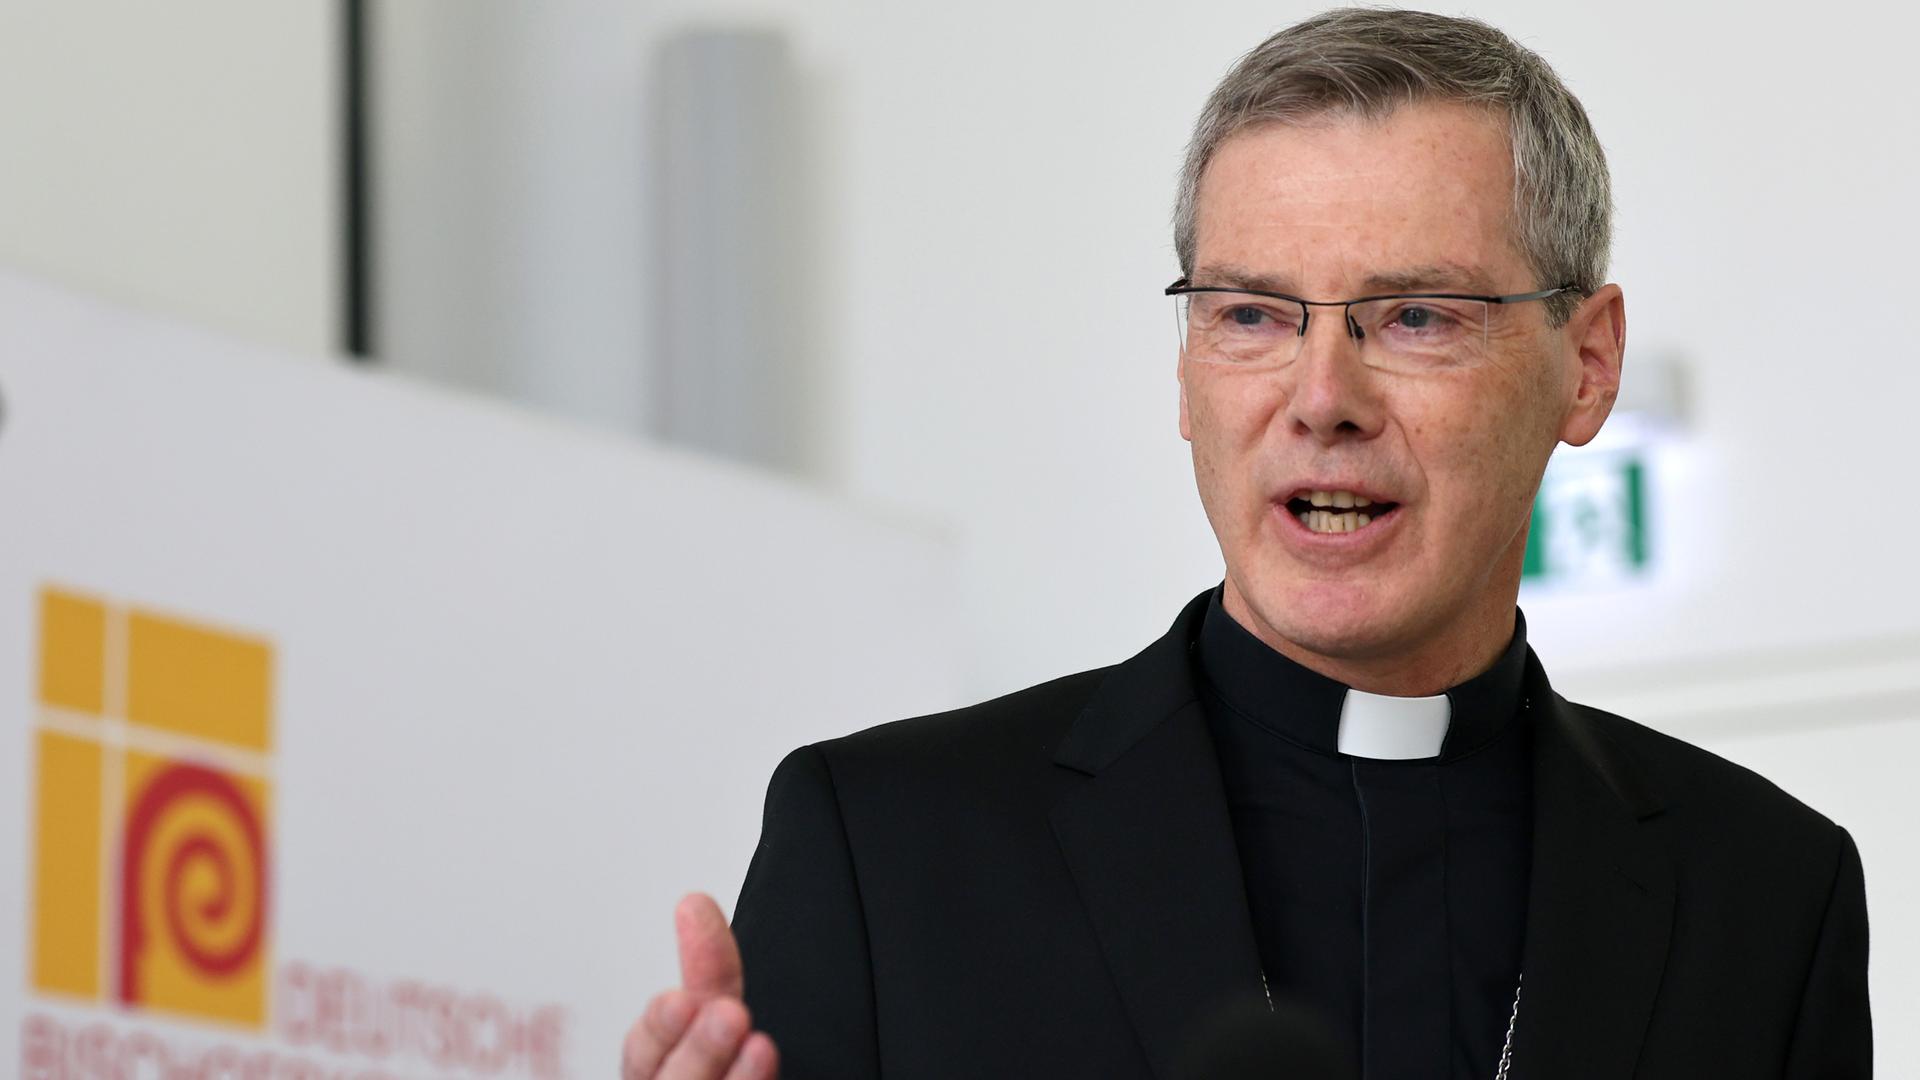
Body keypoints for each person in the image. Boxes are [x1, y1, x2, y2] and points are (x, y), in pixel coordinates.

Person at [620, 9, 1872, 1079]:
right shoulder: (893, 852)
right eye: (1254, 315)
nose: (1322, 398)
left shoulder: (1764, 893)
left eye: (1416, 315)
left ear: (1586, 365)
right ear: (1187, 372)